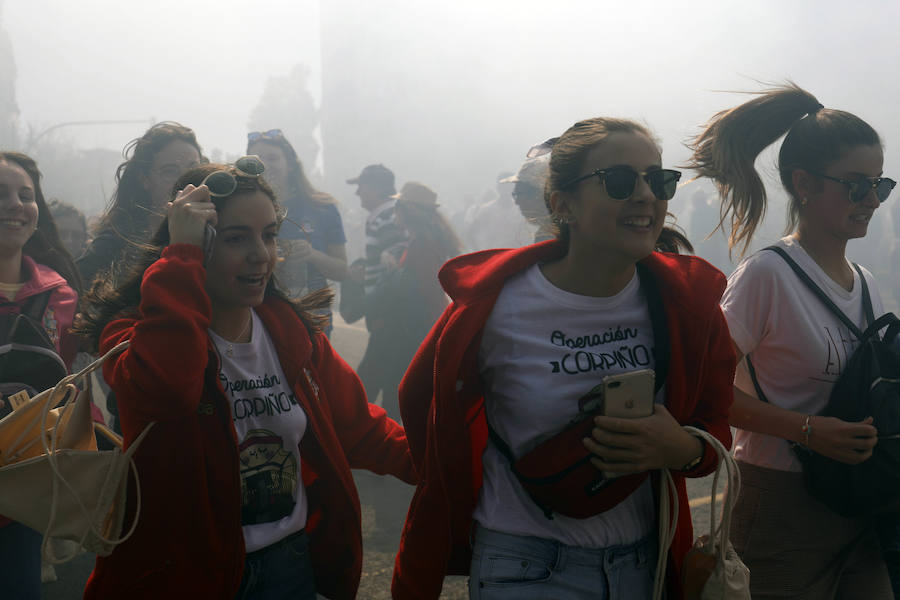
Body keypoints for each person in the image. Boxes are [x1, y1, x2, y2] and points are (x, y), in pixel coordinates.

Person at [392, 117, 735, 599]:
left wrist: (678, 448)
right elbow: (422, 402)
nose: (645, 196)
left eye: (658, 181)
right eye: (619, 181)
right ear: (562, 204)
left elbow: (715, 428)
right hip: (524, 564)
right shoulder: (493, 308)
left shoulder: (687, 303)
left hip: (646, 565)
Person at [74, 159, 416, 599]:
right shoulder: (132, 335)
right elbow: (171, 389)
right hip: (181, 573)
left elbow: (360, 428)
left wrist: (447, 465)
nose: (262, 254)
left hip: (288, 568)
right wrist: (180, 259)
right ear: (195, 243)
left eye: (270, 235)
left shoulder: (292, 334)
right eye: (237, 238)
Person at [686, 83, 895, 599]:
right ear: (803, 183)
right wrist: (805, 430)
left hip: (858, 503)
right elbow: (704, 391)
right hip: (780, 504)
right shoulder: (767, 277)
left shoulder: (865, 280)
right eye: (854, 186)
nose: (871, 200)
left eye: (880, 185)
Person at [0, 152, 81, 600]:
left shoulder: (60, 294)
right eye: (1, 195)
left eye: (25, 195)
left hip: (22, 496)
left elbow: (68, 384)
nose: (15, 204)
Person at [367, 181, 462, 406]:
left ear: (405, 211)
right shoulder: (424, 241)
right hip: (415, 326)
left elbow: (427, 290)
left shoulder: (423, 245)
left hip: (410, 331)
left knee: (392, 393)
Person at [77, 122, 203, 287]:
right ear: (144, 179)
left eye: (193, 169)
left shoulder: (220, 235)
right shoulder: (115, 244)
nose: (185, 181)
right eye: (170, 171)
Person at [246, 129, 348, 334]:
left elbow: (342, 270)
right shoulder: (239, 208)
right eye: (256, 159)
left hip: (310, 315)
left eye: (272, 158)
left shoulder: (322, 207)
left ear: (290, 164)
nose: (264, 164)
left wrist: (312, 254)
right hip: (256, 315)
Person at [341, 163, 408, 418]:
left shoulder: (386, 215)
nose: (358, 193)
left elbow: (396, 260)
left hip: (388, 314)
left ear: (377, 188)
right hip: (386, 313)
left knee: (369, 384)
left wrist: (378, 306)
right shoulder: (385, 213)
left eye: (362, 187)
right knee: (377, 382)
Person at [500, 149, 554, 243]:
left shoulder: (556, 234)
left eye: (520, 194)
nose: (517, 202)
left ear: (541, 194)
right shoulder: (548, 231)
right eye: (515, 195)